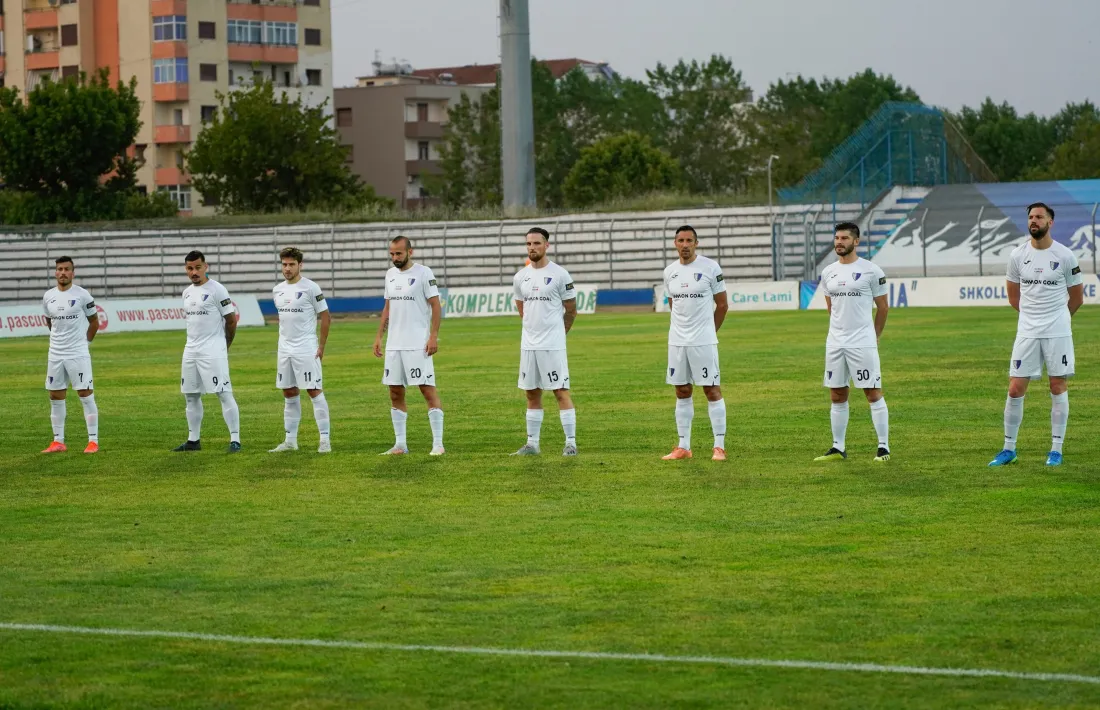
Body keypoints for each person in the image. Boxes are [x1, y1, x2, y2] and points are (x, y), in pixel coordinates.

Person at [989, 202, 1083, 467]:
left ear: (1050, 222)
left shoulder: (1065, 256)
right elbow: (1013, 296)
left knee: (1057, 385)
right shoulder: (1018, 256)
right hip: (1027, 331)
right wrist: (1033, 318)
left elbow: (1076, 298)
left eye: (1039, 217)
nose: (1034, 221)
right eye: (1031, 217)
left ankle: (1056, 449)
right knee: (1015, 388)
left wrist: (1059, 320)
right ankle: (1009, 449)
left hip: (1058, 331)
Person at [813, 222, 891, 463]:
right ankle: (838, 447)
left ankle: (883, 447)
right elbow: (831, 308)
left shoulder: (871, 270)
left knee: (872, 392)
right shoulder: (828, 272)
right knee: (837, 394)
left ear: (856, 242)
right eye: (836, 237)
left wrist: (874, 335)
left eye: (844, 238)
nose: (839, 242)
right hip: (836, 343)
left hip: (863, 342)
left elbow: (883, 307)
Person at [660, 225, 729, 461]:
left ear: (696, 243)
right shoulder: (669, 272)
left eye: (690, 240)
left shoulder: (710, 268)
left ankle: (719, 446)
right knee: (682, 390)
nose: (685, 244)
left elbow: (722, 305)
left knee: (711, 390)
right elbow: (673, 305)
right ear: (675, 244)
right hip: (677, 342)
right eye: (681, 240)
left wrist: (709, 331)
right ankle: (683, 447)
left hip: (703, 341)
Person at [373, 236, 445, 455]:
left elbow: (435, 306)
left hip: (417, 344)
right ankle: (400, 444)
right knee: (395, 392)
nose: (395, 258)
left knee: (426, 390)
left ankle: (438, 444)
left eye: (399, 254)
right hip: (395, 345)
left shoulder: (424, 273)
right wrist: (378, 337)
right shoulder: (390, 275)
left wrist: (433, 336)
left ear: (410, 252)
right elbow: (387, 307)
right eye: (392, 254)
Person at [511, 227, 578, 456]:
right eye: (529, 244)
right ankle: (532, 444)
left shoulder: (560, 274)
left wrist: (559, 333)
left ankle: (570, 443)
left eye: (537, 243)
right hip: (529, 345)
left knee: (560, 391)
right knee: (531, 393)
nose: (532, 248)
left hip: (552, 345)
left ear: (547, 245)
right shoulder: (521, 277)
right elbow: (522, 307)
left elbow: (571, 310)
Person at [173, 250, 242, 453]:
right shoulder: (186, 293)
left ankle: (235, 439)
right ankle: (193, 440)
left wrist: (225, 345)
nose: (194, 272)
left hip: (213, 350)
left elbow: (231, 320)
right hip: (191, 349)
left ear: (206, 267)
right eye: (190, 268)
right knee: (191, 395)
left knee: (223, 392)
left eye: (197, 267)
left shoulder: (217, 290)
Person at [269, 247, 332, 454]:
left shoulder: (311, 288)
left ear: (300, 265)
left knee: (313, 390)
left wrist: (321, 346)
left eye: (291, 265)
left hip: (306, 348)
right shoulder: (277, 290)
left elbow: (325, 316)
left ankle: (324, 440)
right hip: (284, 349)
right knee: (289, 392)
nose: (287, 269)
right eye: (284, 265)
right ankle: (290, 441)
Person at [40, 256, 100, 454]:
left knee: (84, 393)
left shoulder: (82, 295)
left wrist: (85, 343)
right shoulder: (48, 296)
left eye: (67, 269)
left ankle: (93, 441)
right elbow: (50, 323)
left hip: (77, 353)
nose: (63, 272)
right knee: (55, 395)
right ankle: (58, 441)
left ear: (73, 273)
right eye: (59, 269)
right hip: (55, 353)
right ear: (55, 272)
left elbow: (94, 322)